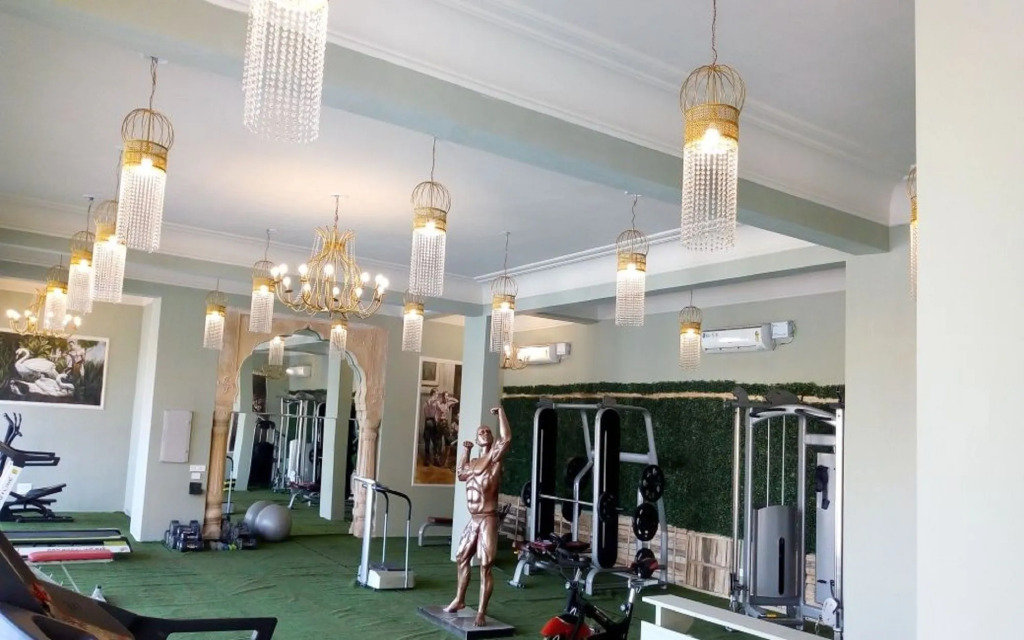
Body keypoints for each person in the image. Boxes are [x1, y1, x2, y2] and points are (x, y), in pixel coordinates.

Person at [445, 406, 511, 626]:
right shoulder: (472, 464)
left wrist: (501, 413)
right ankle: (460, 599)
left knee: (485, 565)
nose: (484, 433)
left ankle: (481, 611)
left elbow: (506, 438)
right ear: (476, 439)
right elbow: (460, 474)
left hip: (488, 518)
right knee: (461, 557)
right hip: (474, 519)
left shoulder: (494, 459)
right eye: (481, 432)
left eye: (487, 431)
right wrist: (465, 451)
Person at [422, 389, 441, 466]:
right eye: (437, 394)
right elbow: (440, 410)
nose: (437, 395)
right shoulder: (436, 402)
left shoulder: (426, 402)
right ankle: (434, 460)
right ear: (433, 394)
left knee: (428, 442)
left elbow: (425, 412)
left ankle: (427, 460)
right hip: (431, 421)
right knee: (434, 442)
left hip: (428, 421)